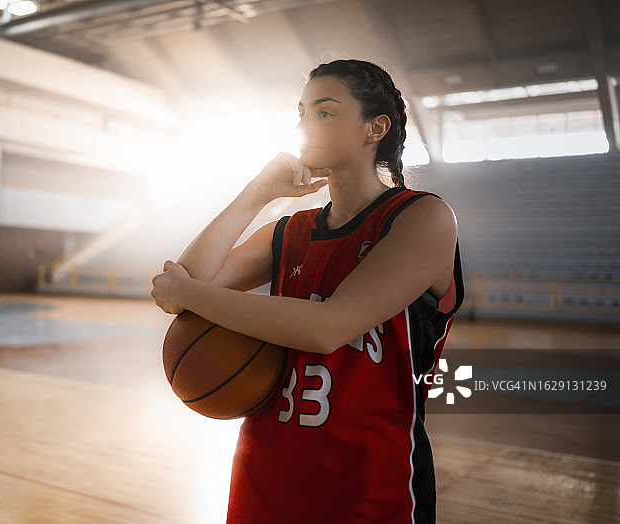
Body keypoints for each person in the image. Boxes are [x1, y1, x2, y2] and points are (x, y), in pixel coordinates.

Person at [151, 59, 463, 524]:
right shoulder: (289, 232)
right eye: (300, 112)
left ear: (375, 128)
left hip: (370, 492)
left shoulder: (421, 218)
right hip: (265, 480)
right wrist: (256, 194)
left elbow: (327, 328)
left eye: (325, 111)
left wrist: (189, 293)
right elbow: (182, 287)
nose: (303, 124)